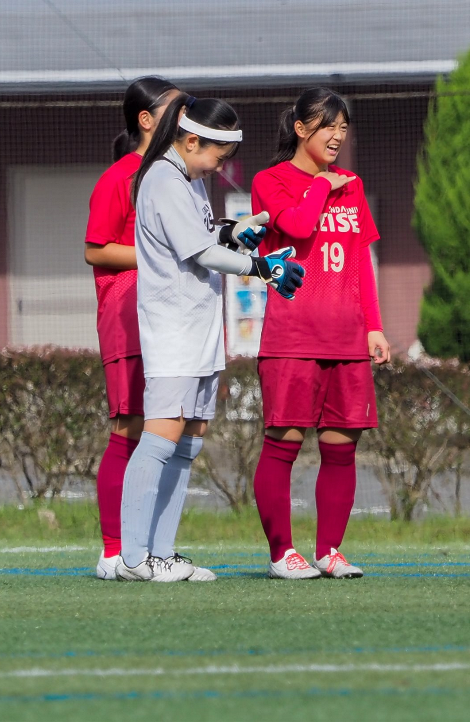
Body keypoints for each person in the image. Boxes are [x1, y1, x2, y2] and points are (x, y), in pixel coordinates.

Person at [117, 95, 304, 582]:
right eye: (218, 157)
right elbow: (199, 251)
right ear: (192, 140)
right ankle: (134, 558)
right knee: (161, 436)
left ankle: (162, 551)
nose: (222, 167)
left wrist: (237, 231)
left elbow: (205, 234)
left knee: (190, 440)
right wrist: (261, 266)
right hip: (173, 328)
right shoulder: (162, 177)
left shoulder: (191, 179)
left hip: (200, 326)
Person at [250, 87, 389, 580]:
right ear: (300, 129)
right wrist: (320, 187)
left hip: (347, 338)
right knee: (282, 445)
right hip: (292, 336)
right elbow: (300, 227)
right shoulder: (270, 181)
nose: (337, 136)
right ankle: (282, 553)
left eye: (343, 128)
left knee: (341, 448)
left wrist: (374, 326)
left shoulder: (351, 183)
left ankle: (330, 550)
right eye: (328, 126)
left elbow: (360, 261)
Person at [86, 76, 180, 581]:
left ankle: (149, 550)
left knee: (167, 432)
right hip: (127, 316)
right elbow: (96, 248)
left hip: (171, 317)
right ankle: (113, 550)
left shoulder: (180, 177)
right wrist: (158, 257)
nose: (184, 119)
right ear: (145, 120)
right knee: (128, 429)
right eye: (173, 110)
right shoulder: (121, 177)